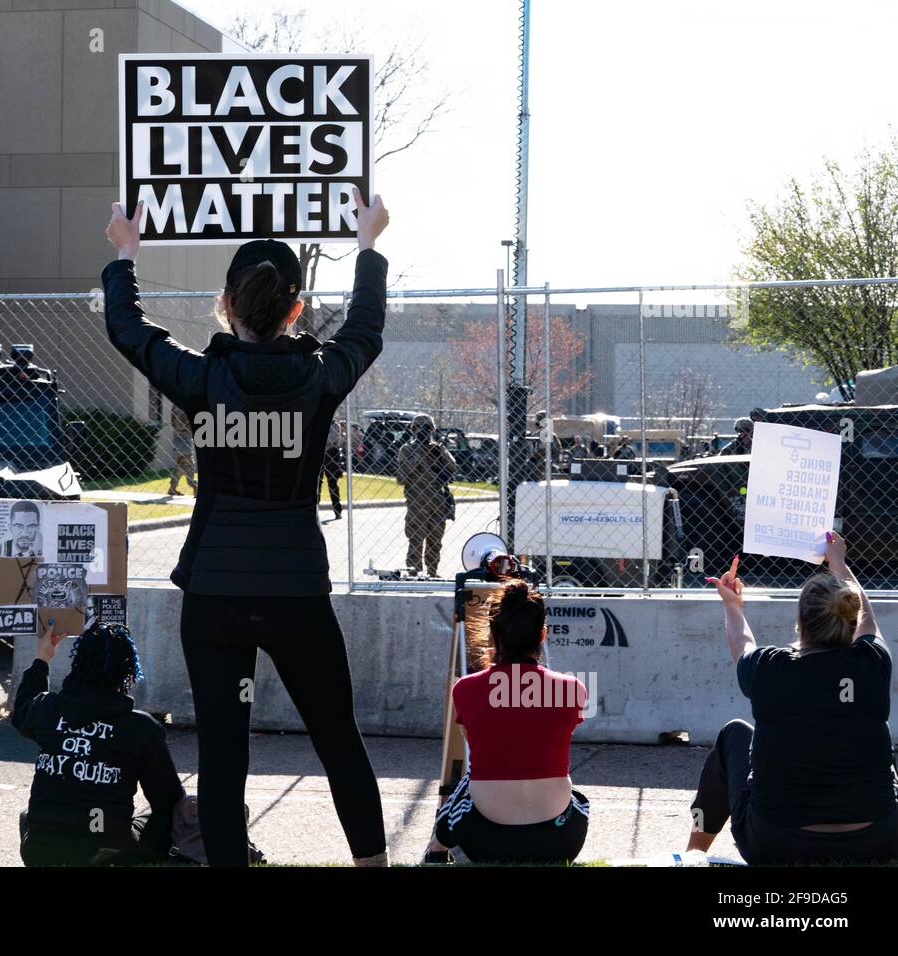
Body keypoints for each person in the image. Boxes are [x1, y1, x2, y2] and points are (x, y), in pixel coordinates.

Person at [101, 189, 391, 866]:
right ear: (296, 310)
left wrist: (125, 253)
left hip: (216, 600)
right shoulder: (318, 381)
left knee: (224, 757)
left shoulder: (201, 380)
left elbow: (129, 330)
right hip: (296, 596)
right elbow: (366, 330)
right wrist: (368, 245)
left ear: (227, 305)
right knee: (338, 740)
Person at [687, 536, 898, 864]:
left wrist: (731, 604)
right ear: (852, 620)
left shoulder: (770, 666)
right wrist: (839, 563)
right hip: (878, 840)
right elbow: (868, 622)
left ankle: (694, 853)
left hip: (776, 842)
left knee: (734, 734)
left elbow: (742, 644)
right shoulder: (872, 663)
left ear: (800, 622)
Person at [430, 581, 590, 863]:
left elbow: (477, 746)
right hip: (559, 839)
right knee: (576, 796)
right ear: (542, 635)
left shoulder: (465, 689)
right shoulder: (572, 688)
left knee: (464, 786)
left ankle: (435, 851)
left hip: (487, 839)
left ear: (492, 635)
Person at [12, 620, 183, 866]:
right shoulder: (140, 727)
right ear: (127, 671)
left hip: (39, 849)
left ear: (77, 664)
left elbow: (22, 708)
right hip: (109, 850)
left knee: (29, 816)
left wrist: (43, 658)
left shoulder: (48, 708)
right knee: (166, 817)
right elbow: (169, 799)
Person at [396, 414, 457, 577]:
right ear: (413, 430)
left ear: (432, 430)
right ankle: (414, 571)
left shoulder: (437, 448)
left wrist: (440, 452)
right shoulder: (407, 449)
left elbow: (453, 468)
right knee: (416, 538)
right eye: (419, 428)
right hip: (417, 500)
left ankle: (432, 572)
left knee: (435, 540)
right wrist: (418, 455)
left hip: (437, 499)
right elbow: (401, 478)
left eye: (428, 428)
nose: (424, 432)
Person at [166, 406, 198, 496]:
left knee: (179, 465)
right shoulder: (186, 405)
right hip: (186, 437)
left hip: (177, 437)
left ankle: (172, 488)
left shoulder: (174, 407)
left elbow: (173, 421)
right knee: (188, 464)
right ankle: (194, 485)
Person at [319, 417, 346, 520]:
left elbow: (331, 439)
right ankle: (315, 508)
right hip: (320, 455)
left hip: (331, 455)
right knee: (317, 484)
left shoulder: (335, 425)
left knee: (333, 484)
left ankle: (337, 510)